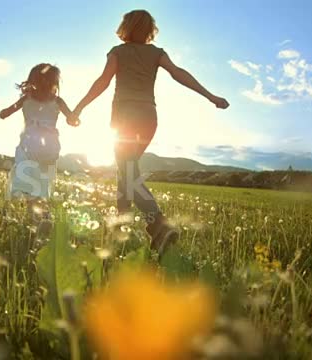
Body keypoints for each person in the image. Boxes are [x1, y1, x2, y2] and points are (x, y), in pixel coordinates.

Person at [70, 9, 229, 256]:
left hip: (123, 117)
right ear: (149, 30)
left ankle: (158, 224)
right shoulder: (157, 53)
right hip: (148, 118)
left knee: (128, 172)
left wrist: (79, 107)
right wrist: (211, 96)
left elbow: (103, 81)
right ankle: (119, 230)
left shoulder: (118, 52)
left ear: (126, 27)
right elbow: (178, 73)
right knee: (127, 172)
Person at [0, 63, 79, 211]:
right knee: (43, 183)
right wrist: (74, 119)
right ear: (54, 82)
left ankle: (22, 210)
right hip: (50, 147)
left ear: (32, 80)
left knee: (23, 180)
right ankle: (41, 214)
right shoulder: (58, 101)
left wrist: (3, 112)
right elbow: (72, 119)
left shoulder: (26, 99)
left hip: (29, 145)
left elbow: (5, 113)